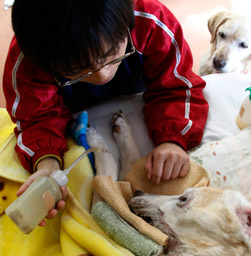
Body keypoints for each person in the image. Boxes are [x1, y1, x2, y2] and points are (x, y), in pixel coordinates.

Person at [3, 0, 209, 225]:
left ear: (126, 23)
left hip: (134, 85)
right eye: (77, 69)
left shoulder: (149, 21)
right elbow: (36, 117)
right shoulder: (33, 54)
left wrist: (173, 140)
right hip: (73, 105)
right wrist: (47, 162)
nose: (102, 75)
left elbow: (177, 86)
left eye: (112, 53)